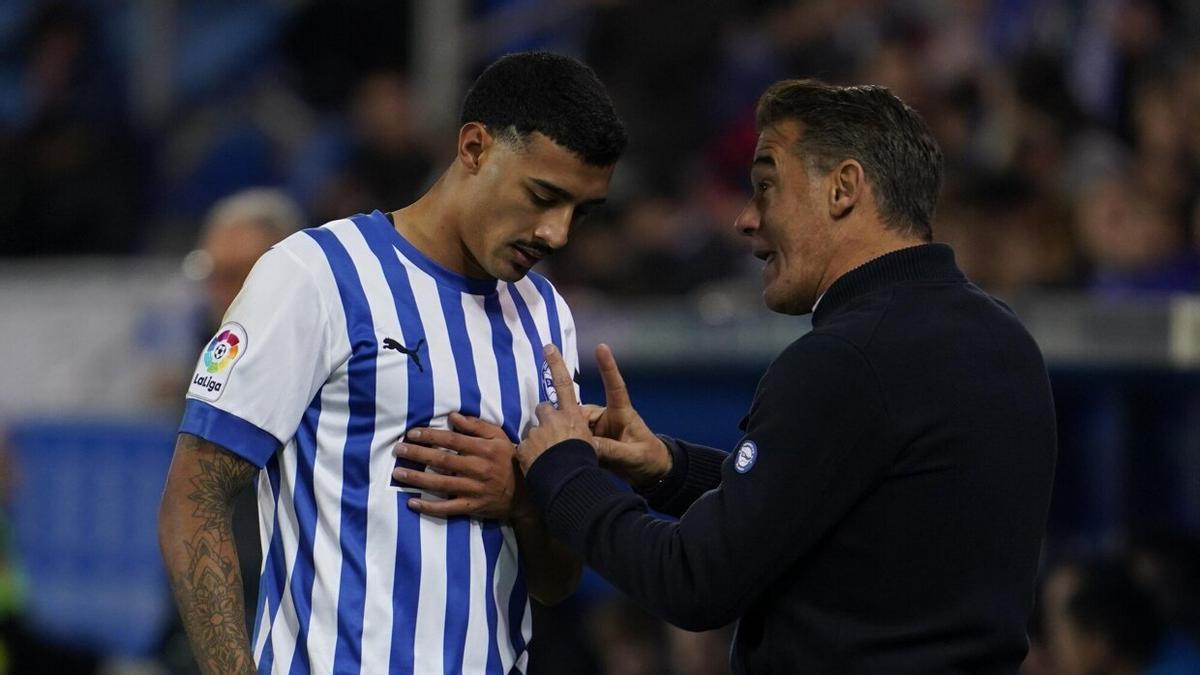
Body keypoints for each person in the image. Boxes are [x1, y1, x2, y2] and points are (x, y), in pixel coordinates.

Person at [409, 80, 1058, 672]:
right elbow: (846, 521)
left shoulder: (847, 358)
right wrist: (666, 466)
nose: (747, 219)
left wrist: (562, 471)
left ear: (844, 189)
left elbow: (693, 581)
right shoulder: (1003, 340)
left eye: (767, 185)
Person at [157, 51, 627, 675]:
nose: (557, 233)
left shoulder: (545, 314)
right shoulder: (316, 275)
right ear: (474, 147)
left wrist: (523, 501)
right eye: (543, 196)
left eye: (579, 211)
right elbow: (193, 496)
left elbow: (554, 582)